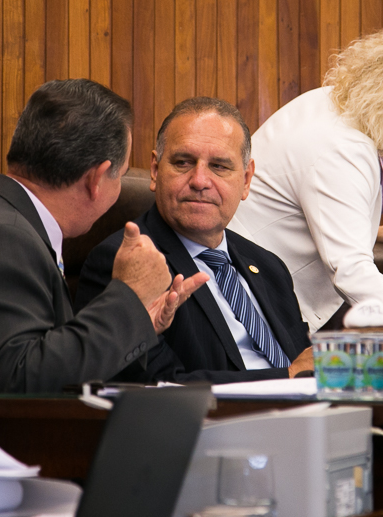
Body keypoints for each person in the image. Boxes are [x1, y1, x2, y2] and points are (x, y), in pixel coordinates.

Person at [0, 79, 207, 435]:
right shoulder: (0, 238)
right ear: (97, 179)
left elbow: (47, 365)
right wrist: (129, 297)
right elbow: (22, 383)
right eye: (122, 175)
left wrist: (139, 319)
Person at [227, 20, 383, 348]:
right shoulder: (342, 147)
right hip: (246, 309)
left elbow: (301, 207)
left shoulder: (334, 103)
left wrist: (372, 232)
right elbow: (351, 270)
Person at [75, 97, 314, 383]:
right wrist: (286, 377)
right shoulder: (125, 263)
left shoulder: (270, 267)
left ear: (246, 180)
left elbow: (305, 360)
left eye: (219, 166)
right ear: (155, 170)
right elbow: (155, 384)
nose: (200, 180)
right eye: (183, 163)